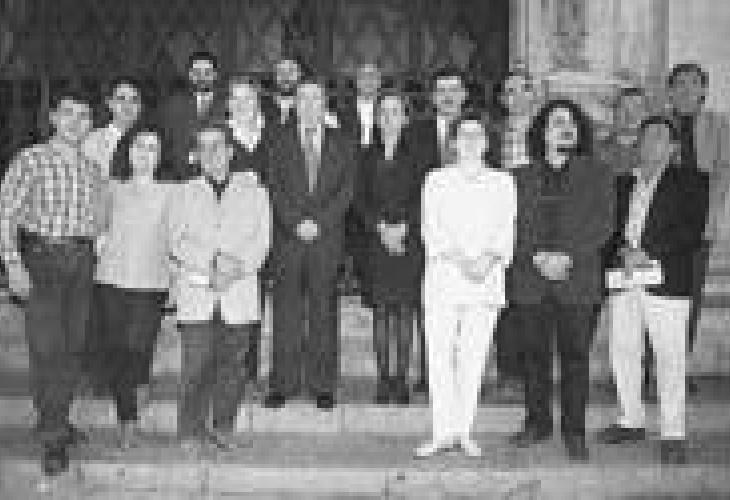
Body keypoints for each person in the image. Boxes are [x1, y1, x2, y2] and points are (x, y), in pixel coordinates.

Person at [0, 89, 104, 476]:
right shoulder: (31, 159)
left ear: (90, 124)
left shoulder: (92, 169)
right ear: (54, 119)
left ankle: (54, 417)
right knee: (47, 349)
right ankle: (54, 436)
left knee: (73, 348)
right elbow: (6, 215)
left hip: (82, 263)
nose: (76, 122)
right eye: (68, 114)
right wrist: (13, 265)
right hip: (42, 261)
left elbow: (96, 220)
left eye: (84, 115)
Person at [596, 117, 708, 465]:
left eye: (659, 137)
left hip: (666, 279)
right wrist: (622, 251)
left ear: (673, 147)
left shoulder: (692, 181)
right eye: (645, 136)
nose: (650, 142)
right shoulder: (622, 182)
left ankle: (673, 433)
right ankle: (631, 420)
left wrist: (648, 252)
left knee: (669, 356)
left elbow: (691, 232)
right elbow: (608, 228)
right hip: (625, 277)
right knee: (623, 349)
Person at [506, 99, 615, 461]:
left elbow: (603, 224)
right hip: (530, 277)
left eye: (571, 122)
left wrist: (567, 256)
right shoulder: (519, 177)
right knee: (533, 357)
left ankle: (574, 431)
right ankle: (537, 423)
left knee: (575, 358)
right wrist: (537, 257)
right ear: (542, 132)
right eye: (556, 122)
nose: (565, 127)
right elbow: (510, 225)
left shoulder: (599, 173)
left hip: (577, 278)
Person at [166, 124, 271, 453]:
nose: (210, 154)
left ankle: (224, 427)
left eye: (217, 146)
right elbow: (176, 241)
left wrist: (235, 268)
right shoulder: (183, 192)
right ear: (196, 156)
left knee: (233, 367)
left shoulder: (255, 192)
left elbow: (262, 242)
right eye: (203, 148)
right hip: (197, 292)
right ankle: (190, 431)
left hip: (239, 291)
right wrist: (213, 261)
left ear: (230, 151)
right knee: (195, 366)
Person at [416, 115, 516, 459]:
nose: (471, 141)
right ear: (453, 143)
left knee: (472, 358)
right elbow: (432, 226)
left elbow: (506, 228)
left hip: (485, 280)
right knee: (439, 356)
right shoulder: (436, 180)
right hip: (445, 277)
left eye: (478, 134)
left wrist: (486, 261)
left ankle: (463, 431)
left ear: (487, 142)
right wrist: (462, 260)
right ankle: (442, 432)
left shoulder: (503, 182)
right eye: (463, 134)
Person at [264, 80, 355, 411]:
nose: (309, 104)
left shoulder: (343, 142)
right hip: (288, 240)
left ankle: (322, 385)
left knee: (323, 314)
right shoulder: (278, 140)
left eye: (316, 98)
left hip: (326, 240)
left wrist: (320, 223)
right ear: (295, 104)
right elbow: (273, 187)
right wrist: (295, 222)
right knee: (285, 314)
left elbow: (347, 190)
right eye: (303, 98)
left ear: (324, 102)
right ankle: (283, 384)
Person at [93, 124, 174, 449]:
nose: (145, 153)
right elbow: (97, 230)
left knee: (138, 347)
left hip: (151, 282)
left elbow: (177, 237)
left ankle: (139, 384)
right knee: (119, 350)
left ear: (161, 156)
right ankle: (128, 421)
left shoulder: (172, 192)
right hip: (111, 279)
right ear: (127, 151)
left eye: (153, 148)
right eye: (139, 146)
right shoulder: (111, 188)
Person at [353, 90, 422, 405]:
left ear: (405, 118)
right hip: (376, 242)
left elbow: (424, 196)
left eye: (396, 111)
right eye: (384, 112)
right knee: (381, 312)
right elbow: (358, 198)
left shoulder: (419, 155)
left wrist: (405, 227)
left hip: (409, 241)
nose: (389, 117)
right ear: (377, 119)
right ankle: (383, 380)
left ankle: (401, 380)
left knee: (405, 311)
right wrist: (380, 228)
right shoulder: (365, 155)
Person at [666, 63, 730, 382]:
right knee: (656, 298)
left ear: (704, 89)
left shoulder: (719, 125)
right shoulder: (660, 124)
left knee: (689, 299)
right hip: (660, 227)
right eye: (679, 83)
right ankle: (651, 370)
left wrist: (709, 219)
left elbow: (723, 172)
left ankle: (678, 369)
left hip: (698, 226)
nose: (686, 89)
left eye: (693, 83)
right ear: (670, 91)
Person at [82, 76, 145, 393]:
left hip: (137, 237)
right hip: (101, 234)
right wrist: (97, 233)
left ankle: (130, 377)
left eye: (134, 99)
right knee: (101, 310)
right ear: (109, 104)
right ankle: (100, 377)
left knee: (131, 311)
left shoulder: (148, 141)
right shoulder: (91, 141)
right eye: (121, 98)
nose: (127, 106)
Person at [411, 67, 468, 395]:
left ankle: (462, 373)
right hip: (430, 232)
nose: (448, 96)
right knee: (431, 306)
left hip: (470, 235)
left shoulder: (479, 132)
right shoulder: (416, 133)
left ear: (464, 95)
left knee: (465, 307)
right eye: (442, 90)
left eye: (454, 89)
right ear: (433, 97)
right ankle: (430, 373)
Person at [220, 75, 275, 386]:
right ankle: (224, 371)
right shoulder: (219, 136)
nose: (242, 104)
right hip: (225, 232)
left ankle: (248, 370)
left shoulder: (272, 136)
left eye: (248, 98)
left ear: (257, 102)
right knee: (224, 301)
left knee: (254, 301)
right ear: (228, 103)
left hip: (261, 233)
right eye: (236, 98)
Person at [487, 69, 538, 402]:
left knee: (533, 303)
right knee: (504, 303)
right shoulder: (492, 135)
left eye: (523, 89)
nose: (516, 96)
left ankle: (534, 374)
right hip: (498, 227)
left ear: (533, 95)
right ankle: (509, 374)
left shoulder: (546, 133)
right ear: (502, 99)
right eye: (509, 91)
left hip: (537, 228)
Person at [342, 62, 384, 307]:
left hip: (379, 183)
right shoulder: (341, 113)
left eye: (373, 76)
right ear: (356, 82)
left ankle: (372, 289)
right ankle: (349, 282)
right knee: (350, 238)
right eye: (363, 76)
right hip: (348, 182)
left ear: (379, 82)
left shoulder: (390, 109)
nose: (368, 81)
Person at [156, 50, 222, 180]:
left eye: (207, 73)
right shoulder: (173, 104)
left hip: (219, 178)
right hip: (181, 177)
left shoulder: (227, 103)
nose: (202, 78)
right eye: (197, 72)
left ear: (215, 75)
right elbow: (165, 142)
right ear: (189, 74)